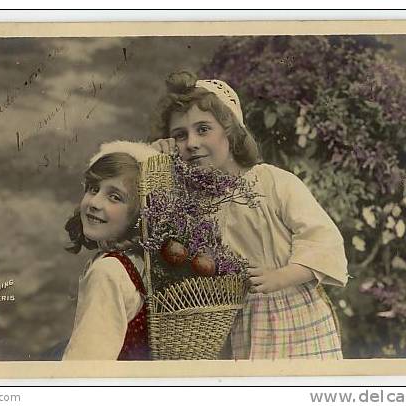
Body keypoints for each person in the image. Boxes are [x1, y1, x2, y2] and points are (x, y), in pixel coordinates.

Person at [150, 71, 349, 359]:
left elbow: (324, 240)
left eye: (203, 129)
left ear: (230, 132)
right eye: (180, 136)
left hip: (293, 314)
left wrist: (281, 276)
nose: (191, 142)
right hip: (237, 322)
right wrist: (157, 157)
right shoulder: (192, 202)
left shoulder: (271, 181)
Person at [61, 141, 160, 360]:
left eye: (115, 197)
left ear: (139, 216)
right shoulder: (137, 261)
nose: (95, 202)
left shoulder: (108, 271)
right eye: (93, 189)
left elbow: (86, 363)